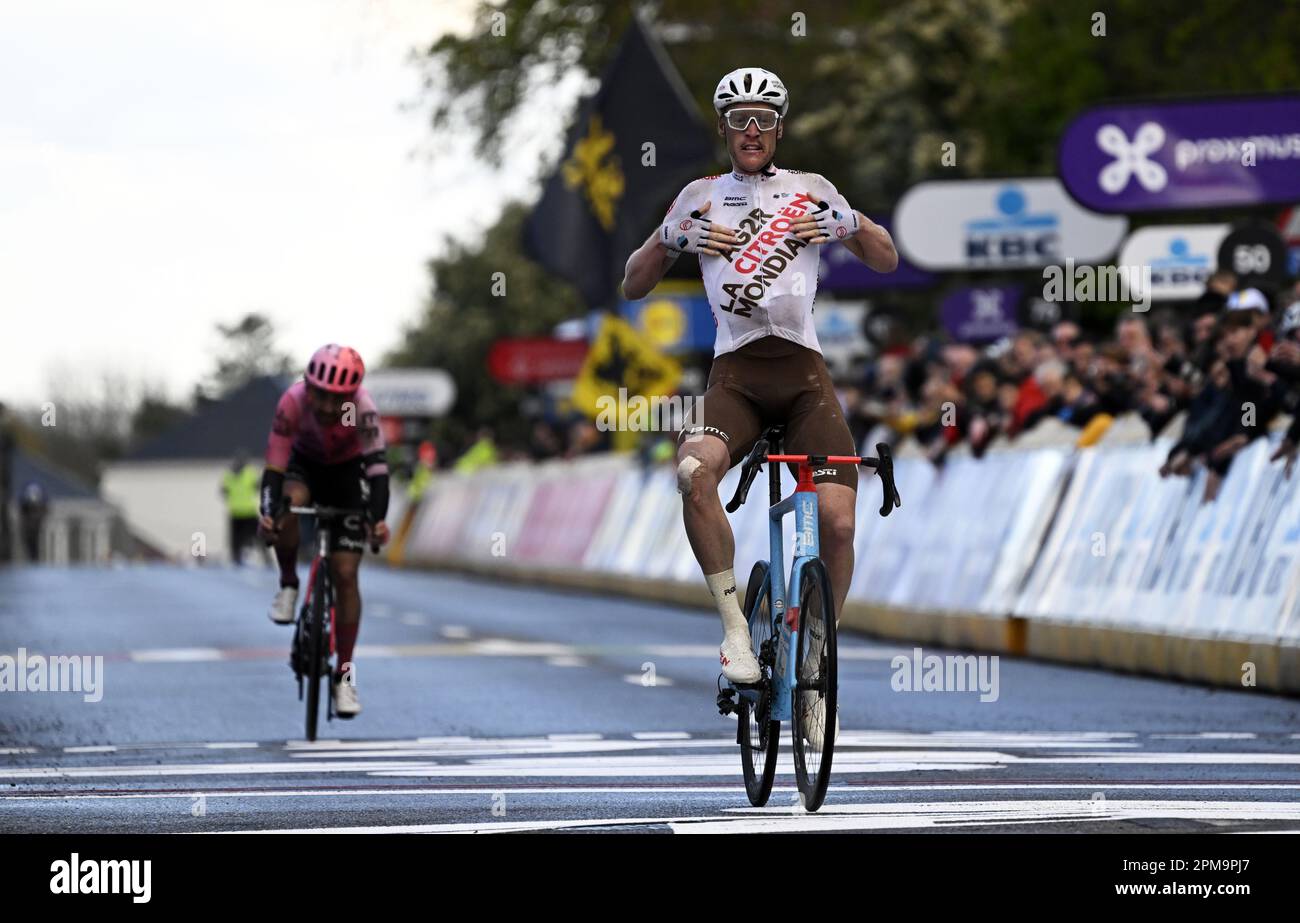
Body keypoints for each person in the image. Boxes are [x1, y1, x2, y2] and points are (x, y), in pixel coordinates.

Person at [622, 67, 898, 746]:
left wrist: (851, 221)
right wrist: (669, 239)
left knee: (837, 520)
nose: (751, 130)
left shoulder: (811, 189)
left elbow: (887, 257)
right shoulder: (699, 196)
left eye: (763, 119)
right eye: (738, 119)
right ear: (724, 129)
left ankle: (817, 655)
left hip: (805, 378)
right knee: (691, 473)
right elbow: (632, 283)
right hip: (736, 378)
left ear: (778, 129)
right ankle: (737, 631)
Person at [258, 344, 390, 718]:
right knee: (287, 507)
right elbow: (274, 468)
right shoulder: (293, 403)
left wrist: (376, 519)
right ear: (307, 385)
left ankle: (344, 676)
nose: (329, 407)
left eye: (338, 399)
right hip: (305, 467)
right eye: (321, 395)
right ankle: (288, 583)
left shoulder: (359, 410)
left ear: (350, 396)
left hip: (348, 473)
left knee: (346, 574)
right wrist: (269, 514)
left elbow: (378, 469)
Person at [221, 452, 262, 565]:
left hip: (238, 512)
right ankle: (239, 559)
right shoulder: (250, 473)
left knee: (237, 541)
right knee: (255, 538)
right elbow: (258, 487)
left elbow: (223, 492)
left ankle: (238, 559)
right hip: (246, 512)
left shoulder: (228, 475)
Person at [18, 481, 48, 562]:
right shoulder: (25, 509)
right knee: (28, 547)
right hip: (29, 532)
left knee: (36, 548)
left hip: (37, 531)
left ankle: (35, 560)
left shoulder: (41, 508)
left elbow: (44, 512)